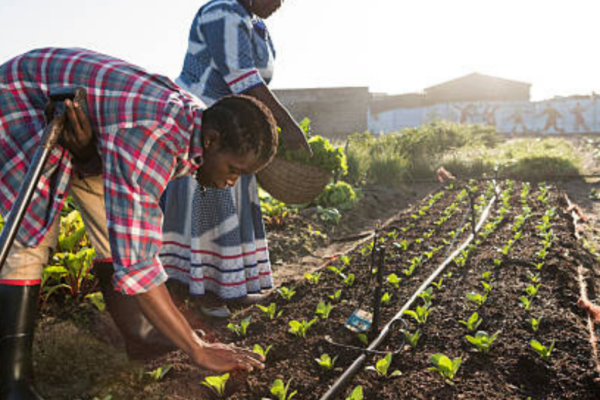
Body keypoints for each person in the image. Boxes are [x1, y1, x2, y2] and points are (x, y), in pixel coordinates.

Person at [0, 47, 272, 400]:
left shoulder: (194, 123)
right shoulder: (152, 138)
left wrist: (85, 154)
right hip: (23, 102)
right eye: (234, 170)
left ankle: (142, 335)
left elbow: (130, 234)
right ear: (212, 140)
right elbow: (140, 264)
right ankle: (12, 382)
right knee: (30, 238)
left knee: (110, 223)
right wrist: (196, 349)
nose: (232, 182)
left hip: (84, 124)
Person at [160, 0, 310, 318]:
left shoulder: (254, 24)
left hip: (237, 126)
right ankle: (204, 293)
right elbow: (244, 79)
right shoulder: (222, 12)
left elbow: (256, 82)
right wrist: (287, 125)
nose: (280, 4)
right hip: (206, 125)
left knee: (230, 202)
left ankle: (230, 288)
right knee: (211, 202)